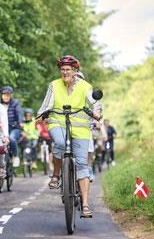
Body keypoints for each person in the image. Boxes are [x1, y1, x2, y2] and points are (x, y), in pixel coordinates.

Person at [37, 55, 102, 218]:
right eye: (62, 69)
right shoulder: (54, 85)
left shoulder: (85, 86)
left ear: (75, 71)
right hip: (58, 123)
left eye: (68, 70)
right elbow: (46, 105)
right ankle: (56, 174)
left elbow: (94, 103)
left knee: (82, 165)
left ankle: (85, 205)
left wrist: (97, 113)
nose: (65, 72)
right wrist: (42, 115)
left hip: (80, 129)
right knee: (59, 142)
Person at [0, 86, 24, 166]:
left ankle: (15, 156)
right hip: (2, 128)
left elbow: (19, 113)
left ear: (11, 95)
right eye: (4, 94)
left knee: (12, 138)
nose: (6, 97)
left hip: (14, 127)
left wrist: (20, 122)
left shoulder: (15, 103)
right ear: (1, 95)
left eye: (8, 95)